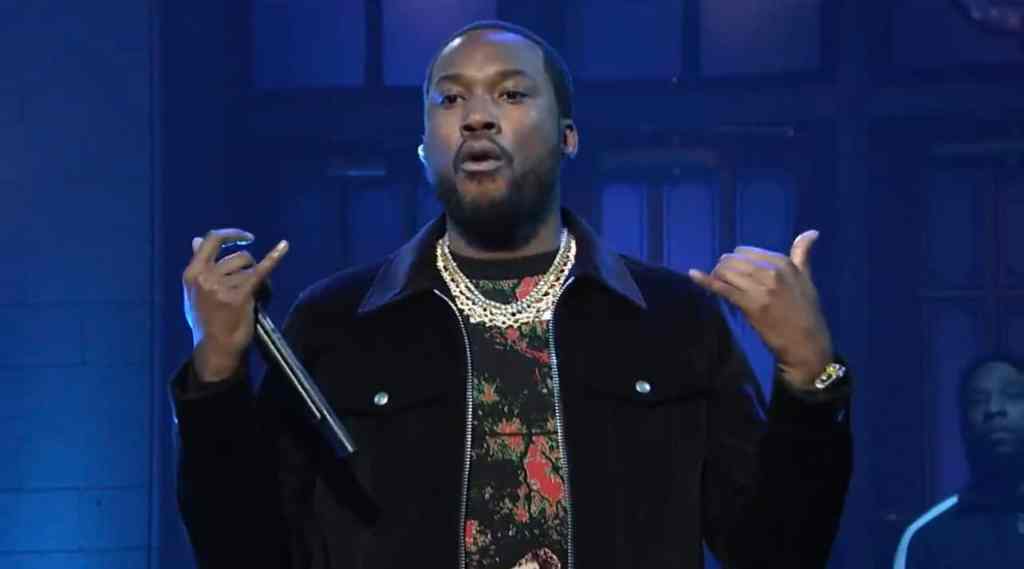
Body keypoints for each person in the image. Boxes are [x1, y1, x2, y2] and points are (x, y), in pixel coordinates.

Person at [173, 20, 852, 569]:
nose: (477, 117)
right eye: (450, 99)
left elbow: (775, 553)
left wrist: (809, 376)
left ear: (568, 136)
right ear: (424, 147)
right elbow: (247, 554)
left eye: (511, 94)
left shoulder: (673, 320)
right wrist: (216, 374)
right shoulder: (335, 323)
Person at [894, 356, 1024, 568]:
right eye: (977, 400)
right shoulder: (929, 538)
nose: (993, 408)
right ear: (964, 425)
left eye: (1012, 395)